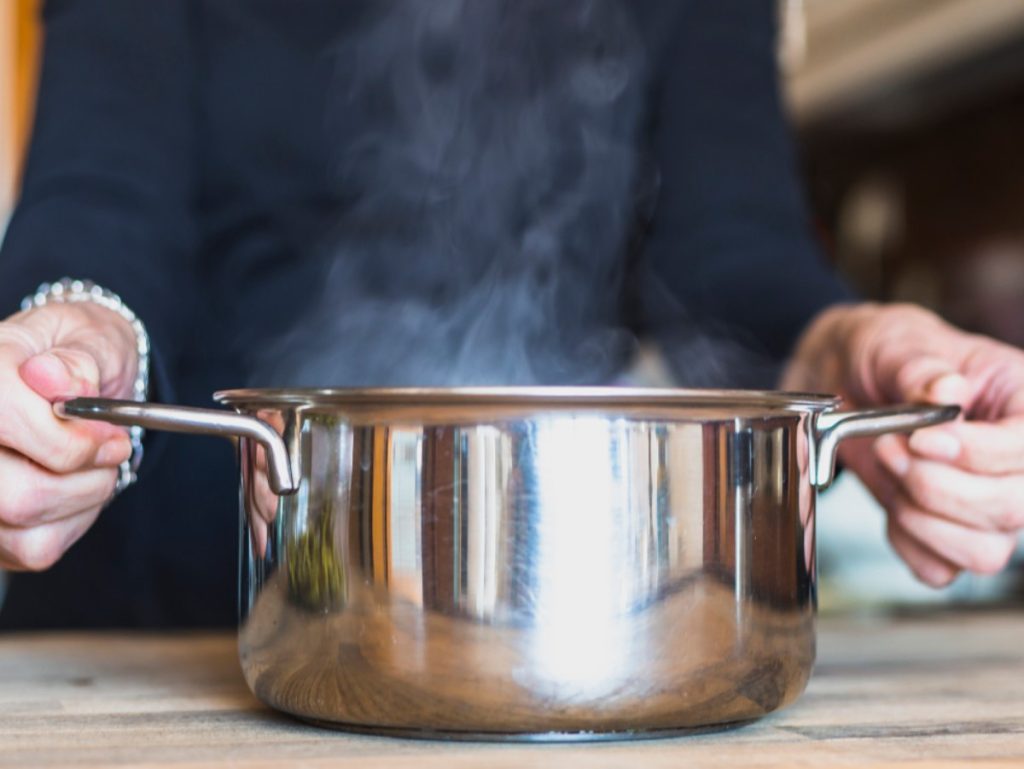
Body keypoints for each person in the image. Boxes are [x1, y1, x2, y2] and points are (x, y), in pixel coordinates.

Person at [0, 0, 1021, 629]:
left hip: (551, 612)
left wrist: (851, 348)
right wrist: (80, 343)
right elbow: (101, 199)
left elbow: (732, 254)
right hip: (145, 620)